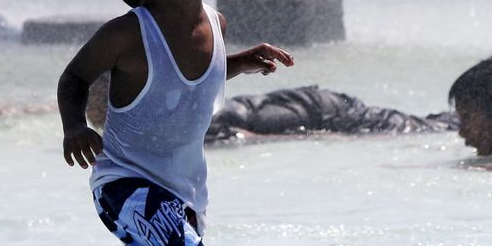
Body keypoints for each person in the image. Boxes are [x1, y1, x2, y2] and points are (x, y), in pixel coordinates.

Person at [58, 0, 295, 246]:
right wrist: (74, 126)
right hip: (125, 183)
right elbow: (75, 77)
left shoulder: (217, 24)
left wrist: (239, 63)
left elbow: (186, 80)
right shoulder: (127, 34)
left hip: (187, 191)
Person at [86, 74, 457, 140]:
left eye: (97, 102)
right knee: (416, 124)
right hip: (299, 103)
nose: (92, 113)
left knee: (417, 129)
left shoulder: (167, 127)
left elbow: (242, 135)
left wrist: (320, 138)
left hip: (314, 112)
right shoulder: (164, 110)